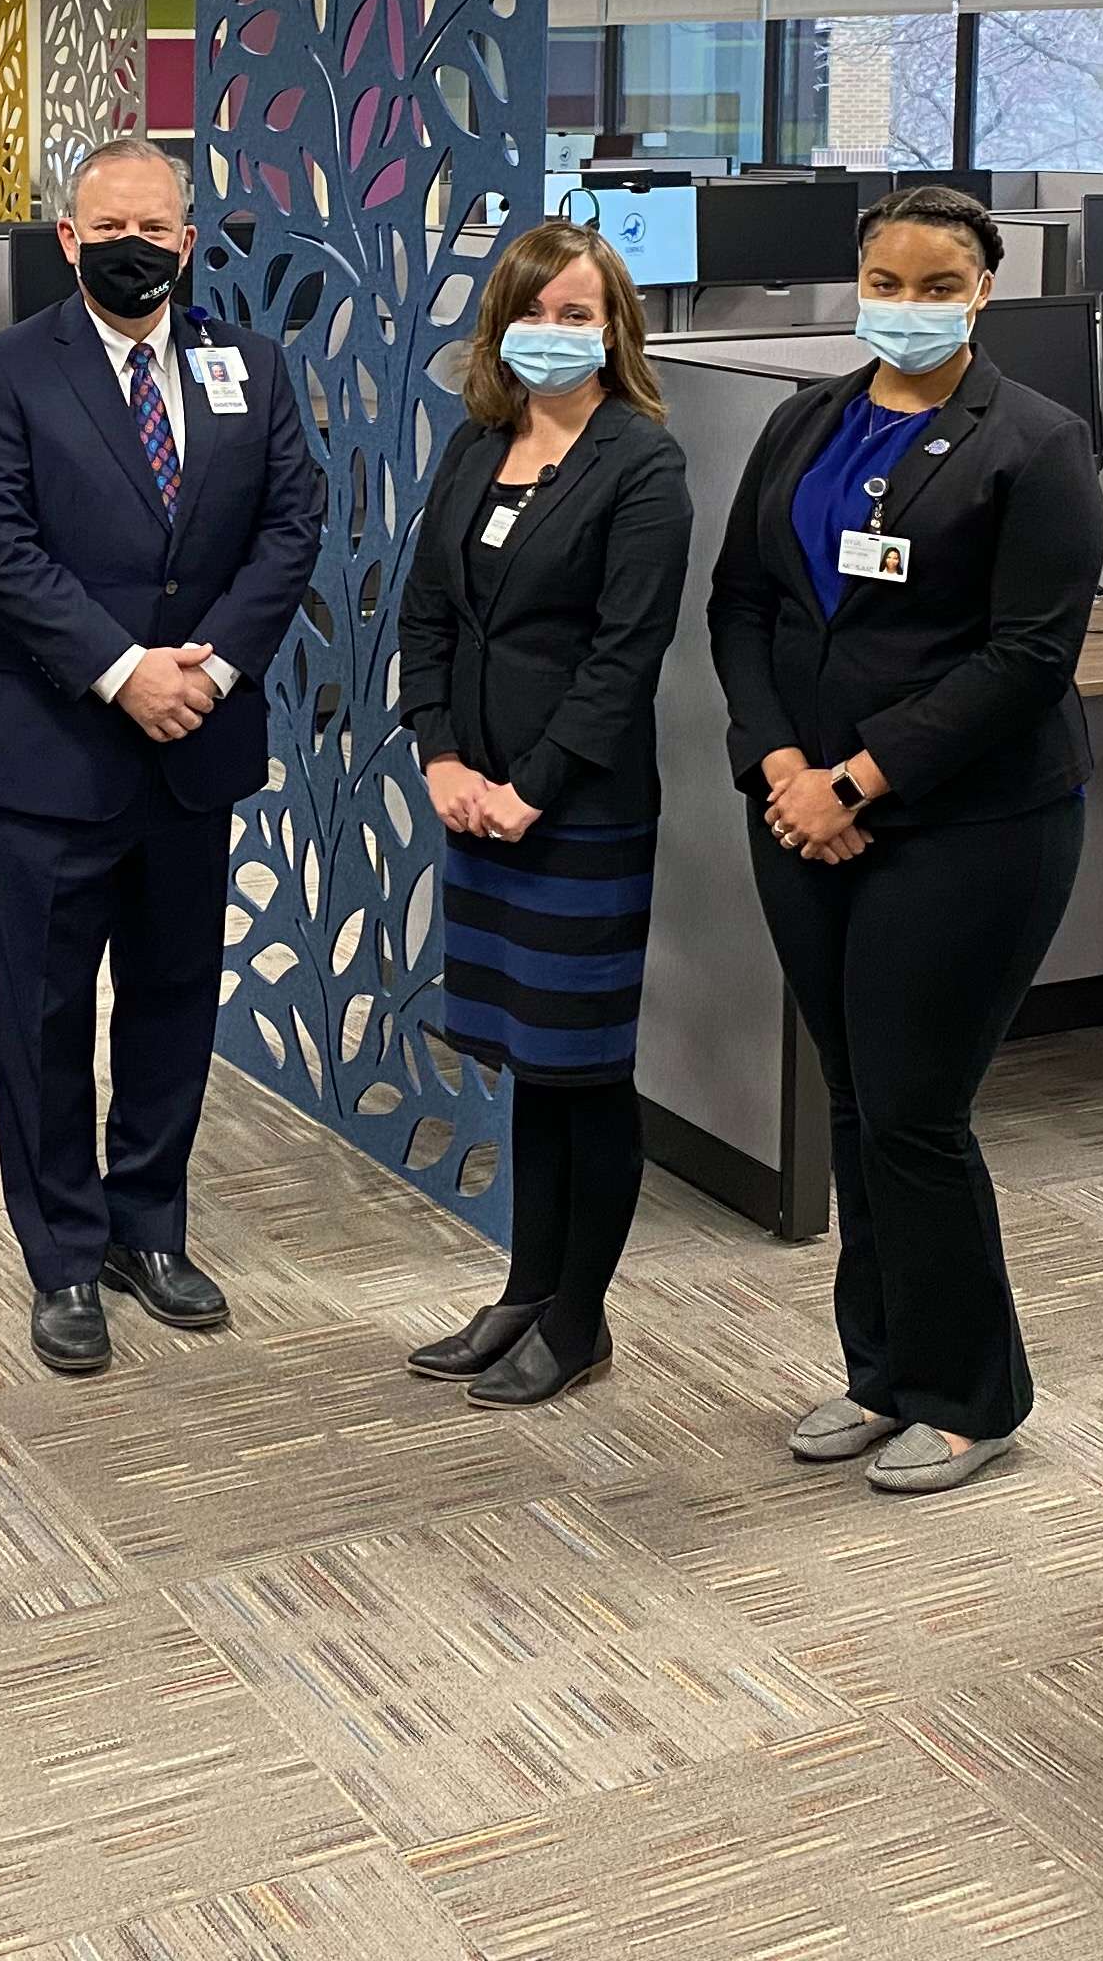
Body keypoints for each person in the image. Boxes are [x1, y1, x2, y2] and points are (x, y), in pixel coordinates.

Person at [707, 182, 1103, 1498]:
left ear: (984, 291)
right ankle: (880, 1370)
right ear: (857, 281)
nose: (911, 305)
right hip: (797, 808)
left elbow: (1029, 658)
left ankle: (971, 1393)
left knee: (918, 1115)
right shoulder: (806, 419)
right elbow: (743, 606)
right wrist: (780, 765)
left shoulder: (1035, 443)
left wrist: (858, 781)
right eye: (890, 280)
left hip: (964, 826)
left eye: (940, 285)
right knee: (854, 1102)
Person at [0, 137, 326, 1377]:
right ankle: (62, 1255)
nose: (134, 246)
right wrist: (125, 671)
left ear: (187, 236)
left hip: (196, 747)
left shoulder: (246, 365)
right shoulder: (6, 370)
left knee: (171, 1001)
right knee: (46, 1015)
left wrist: (207, 669)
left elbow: (291, 521)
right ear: (68, 239)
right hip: (62, 746)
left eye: (155, 227)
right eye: (108, 226)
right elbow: (0, 548)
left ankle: (146, 1226)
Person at [395, 220, 693, 1407]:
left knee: (584, 1068)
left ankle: (579, 1319)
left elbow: (627, 659)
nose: (556, 333)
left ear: (616, 328)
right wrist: (440, 754)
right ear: (500, 325)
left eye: (581, 313)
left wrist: (533, 786)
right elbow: (426, 612)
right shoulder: (478, 446)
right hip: (474, 799)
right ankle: (524, 1287)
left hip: (578, 812)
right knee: (527, 1060)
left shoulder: (641, 463)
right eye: (537, 310)